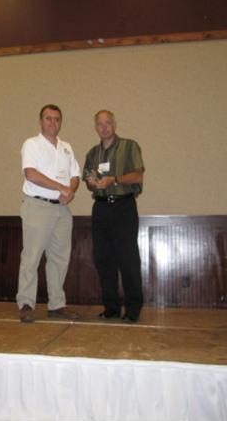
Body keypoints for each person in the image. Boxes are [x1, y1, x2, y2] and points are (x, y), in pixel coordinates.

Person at [16, 104, 80, 323]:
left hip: (62, 209)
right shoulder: (31, 144)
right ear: (40, 121)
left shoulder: (66, 147)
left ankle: (56, 304)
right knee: (31, 256)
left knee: (59, 258)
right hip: (38, 206)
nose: (53, 123)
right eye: (48, 118)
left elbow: (75, 175)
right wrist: (59, 188)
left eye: (57, 119)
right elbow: (31, 174)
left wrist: (70, 190)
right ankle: (26, 303)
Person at [83, 110, 144, 323]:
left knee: (128, 259)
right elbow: (88, 176)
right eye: (100, 124)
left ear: (114, 124)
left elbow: (138, 174)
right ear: (95, 127)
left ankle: (133, 309)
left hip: (123, 207)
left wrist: (114, 179)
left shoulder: (129, 146)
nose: (104, 127)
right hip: (100, 209)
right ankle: (111, 308)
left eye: (107, 123)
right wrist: (93, 182)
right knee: (103, 259)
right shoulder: (92, 153)